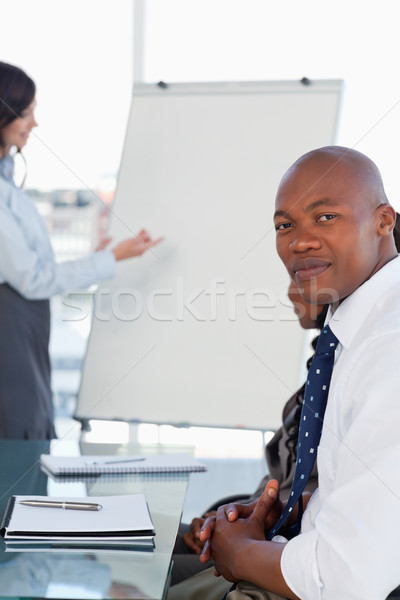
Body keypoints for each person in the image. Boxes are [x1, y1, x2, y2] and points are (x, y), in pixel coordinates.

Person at [195, 146, 400, 600]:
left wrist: (241, 554)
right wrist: (286, 512)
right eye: (284, 225)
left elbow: (349, 580)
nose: (299, 241)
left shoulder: (389, 346)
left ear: (384, 221)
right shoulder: (354, 331)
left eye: (325, 217)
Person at [0, 61, 162, 439]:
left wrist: (100, 256)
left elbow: (27, 267)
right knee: (20, 434)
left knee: (31, 428)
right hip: (11, 340)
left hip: (23, 335)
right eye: (27, 114)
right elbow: (33, 279)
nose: (35, 124)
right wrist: (113, 258)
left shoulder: (8, 184)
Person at [170, 281, 327, 586]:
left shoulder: (362, 373)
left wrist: (240, 529)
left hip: (284, 548)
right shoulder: (323, 365)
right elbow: (281, 480)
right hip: (259, 526)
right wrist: (224, 517)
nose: (290, 292)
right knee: (153, 540)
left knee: (152, 571)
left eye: (302, 281)